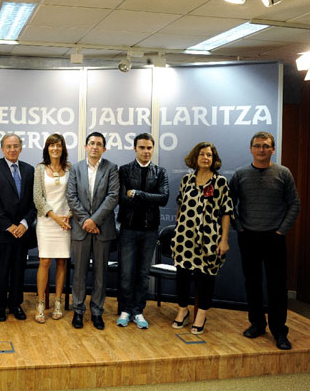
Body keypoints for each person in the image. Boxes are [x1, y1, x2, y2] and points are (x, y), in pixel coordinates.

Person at [229, 131, 300, 350]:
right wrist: (239, 228)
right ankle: (257, 325)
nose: (261, 149)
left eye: (266, 146)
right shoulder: (240, 174)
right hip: (248, 236)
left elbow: (294, 204)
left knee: (277, 287)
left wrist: (281, 231)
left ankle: (279, 331)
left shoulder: (283, 173)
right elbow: (229, 205)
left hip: (274, 238)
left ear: (273, 149)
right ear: (251, 149)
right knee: (252, 284)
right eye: (257, 146)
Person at [171, 142, 233, 335]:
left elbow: (226, 212)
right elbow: (180, 205)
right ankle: (183, 309)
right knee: (182, 275)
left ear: (214, 159)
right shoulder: (186, 180)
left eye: (209, 155)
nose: (205, 158)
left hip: (210, 238)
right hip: (184, 238)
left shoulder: (220, 182)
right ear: (195, 157)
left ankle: (201, 315)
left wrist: (224, 240)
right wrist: (178, 229)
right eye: (202, 154)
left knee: (205, 277)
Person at [66, 132, 119, 330]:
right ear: (86, 147)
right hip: (81, 228)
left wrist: (94, 220)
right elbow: (71, 196)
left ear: (104, 149)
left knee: (100, 273)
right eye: (91, 143)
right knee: (79, 272)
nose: (95, 147)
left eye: (99, 144)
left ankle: (97, 311)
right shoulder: (76, 169)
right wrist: (85, 220)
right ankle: (78, 311)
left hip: (102, 229)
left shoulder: (111, 168)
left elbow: (113, 197)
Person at [116, 133, 169, 329]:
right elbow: (122, 199)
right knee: (126, 273)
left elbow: (163, 199)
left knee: (143, 273)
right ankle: (125, 309)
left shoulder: (160, 172)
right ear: (135, 148)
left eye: (149, 148)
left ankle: (138, 311)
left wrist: (138, 194)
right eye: (142, 148)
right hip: (128, 229)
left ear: (152, 149)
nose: (146, 152)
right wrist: (148, 199)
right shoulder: (124, 170)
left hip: (150, 230)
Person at [0, 133, 37, 322]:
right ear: (2, 148)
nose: (12, 149)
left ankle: (15, 305)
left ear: (21, 148)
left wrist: (23, 224)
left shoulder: (30, 170)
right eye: (8, 146)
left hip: (22, 232)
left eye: (16, 146)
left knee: (18, 270)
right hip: (1, 231)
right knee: (0, 271)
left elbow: (34, 202)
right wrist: (8, 225)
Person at [33, 133, 71, 323]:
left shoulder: (69, 169)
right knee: (45, 262)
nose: (55, 149)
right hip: (47, 221)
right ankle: (40, 304)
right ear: (47, 148)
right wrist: (54, 216)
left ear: (63, 148)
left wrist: (69, 215)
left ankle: (58, 302)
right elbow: (37, 198)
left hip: (66, 222)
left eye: (58, 145)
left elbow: (75, 195)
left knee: (62, 263)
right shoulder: (40, 169)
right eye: (51, 145)